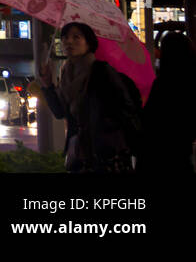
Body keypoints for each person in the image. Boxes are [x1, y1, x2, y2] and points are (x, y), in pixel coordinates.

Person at [38, 22, 141, 172]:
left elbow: (126, 108)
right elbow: (60, 112)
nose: (69, 42)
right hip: (80, 152)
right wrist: (48, 85)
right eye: (65, 37)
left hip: (107, 152)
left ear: (89, 43)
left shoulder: (102, 71)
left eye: (76, 37)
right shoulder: (67, 74)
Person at [139, 31, 196, 173]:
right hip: (181, 153)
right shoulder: (190, 81)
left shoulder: (163, 83)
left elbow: (149, 120)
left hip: (156, 155)